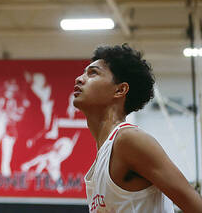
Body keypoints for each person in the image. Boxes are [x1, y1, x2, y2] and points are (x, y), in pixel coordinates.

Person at [74, 44, 202, 212]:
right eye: (84, 72)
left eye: (93, 73)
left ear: (120, 90)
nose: (80, 78)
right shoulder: (103, 156)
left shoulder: (129, 140)